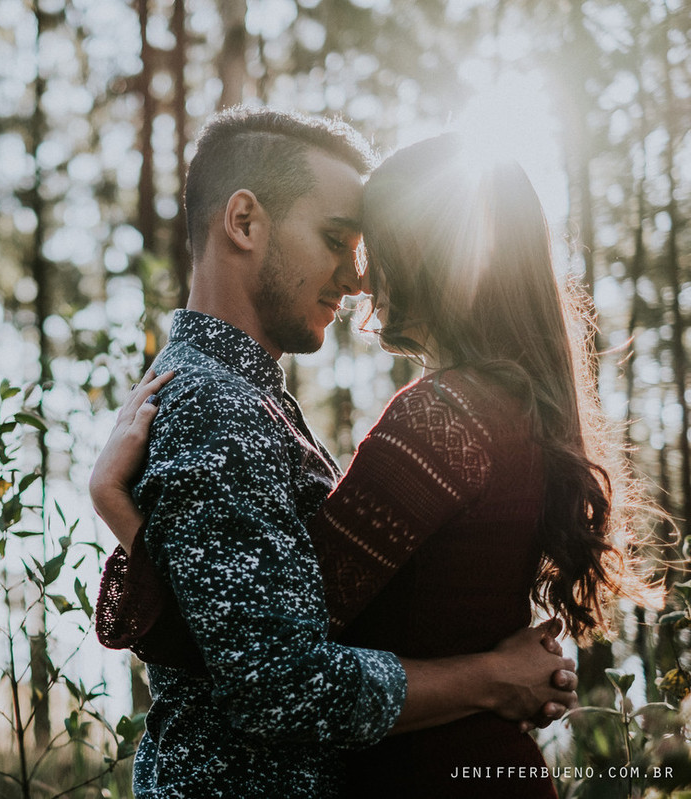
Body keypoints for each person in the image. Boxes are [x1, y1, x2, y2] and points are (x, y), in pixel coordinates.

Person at [88, 108, 589, 798]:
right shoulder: (218, 405)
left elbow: (261, 629)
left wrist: (121, 514)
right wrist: (492, 678)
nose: (357, 279)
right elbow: (277, 677)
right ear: (243, 222)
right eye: (336, 239)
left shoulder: (256, 402)